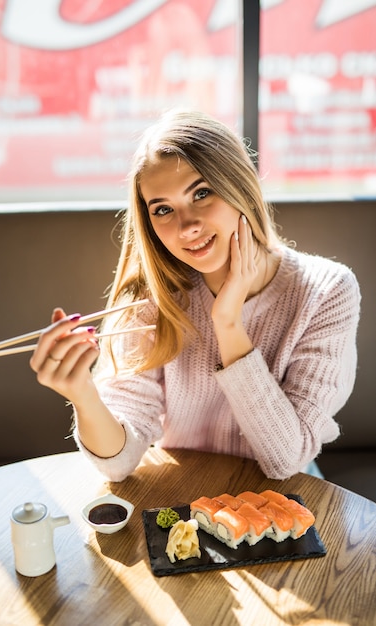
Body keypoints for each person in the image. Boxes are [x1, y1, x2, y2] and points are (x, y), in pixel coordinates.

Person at [30, 109, 361, 482]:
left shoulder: (327, 291)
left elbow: (286, 460)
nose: (186, 227)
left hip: (282, 508)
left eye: (201, 193)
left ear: (242, 184)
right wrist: (83, 394)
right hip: (186, 500)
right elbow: (118, 464)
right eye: (163, 209)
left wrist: (228, 323)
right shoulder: (151, 297)